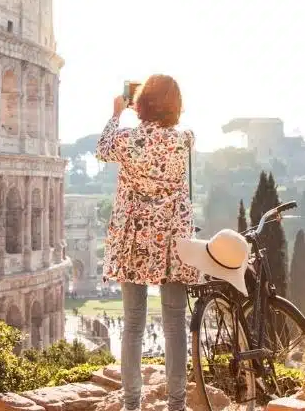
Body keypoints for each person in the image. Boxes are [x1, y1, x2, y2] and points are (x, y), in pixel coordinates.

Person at [96, 74, 198, 411]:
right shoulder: (185, 140)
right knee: (174, 324)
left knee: (133, 324)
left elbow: (102, 149)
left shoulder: (128, 141)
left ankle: (131, 405)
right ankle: (177, 405)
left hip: (134, 236)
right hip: (171, 236)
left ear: (141, 103)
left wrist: (116, 112)